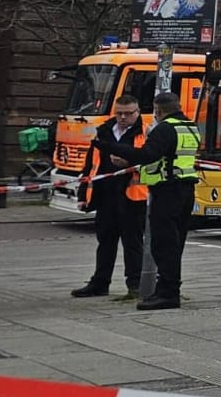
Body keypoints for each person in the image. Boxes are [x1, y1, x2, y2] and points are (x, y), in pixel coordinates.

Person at [92, 91, 199, 310]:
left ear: (158, 110)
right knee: (175, 244)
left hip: (168, 191)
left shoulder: (165, 129)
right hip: (185, 189)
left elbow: (148, 155)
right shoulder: (190, 127)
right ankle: (166, 290)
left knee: (164, 245)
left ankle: (168, 294)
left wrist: (110, 147)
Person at [73, 96, 147, 299]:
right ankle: (100, 283)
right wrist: (82, 194)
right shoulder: (104, 131)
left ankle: (135, 285)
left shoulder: (144, 133)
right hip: (105, 195)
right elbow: (90, 165)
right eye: (119, 113)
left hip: (132, 197)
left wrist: (127, 162)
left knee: (132, 243)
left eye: (128, 113)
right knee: (105, 241)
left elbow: (149, 161)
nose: (123, 117)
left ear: (137, 112)